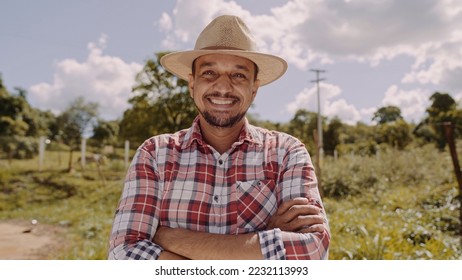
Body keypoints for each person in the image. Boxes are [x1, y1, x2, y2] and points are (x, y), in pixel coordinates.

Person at [108, 15, 330, 260]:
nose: (223, 87)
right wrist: (264, 238)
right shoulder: (155, 154)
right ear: (192, 84)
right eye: (209, 73)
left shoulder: (286, 152)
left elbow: (312, 251)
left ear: (254, 88)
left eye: (238, 75)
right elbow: (124, 254)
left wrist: (168, 237)